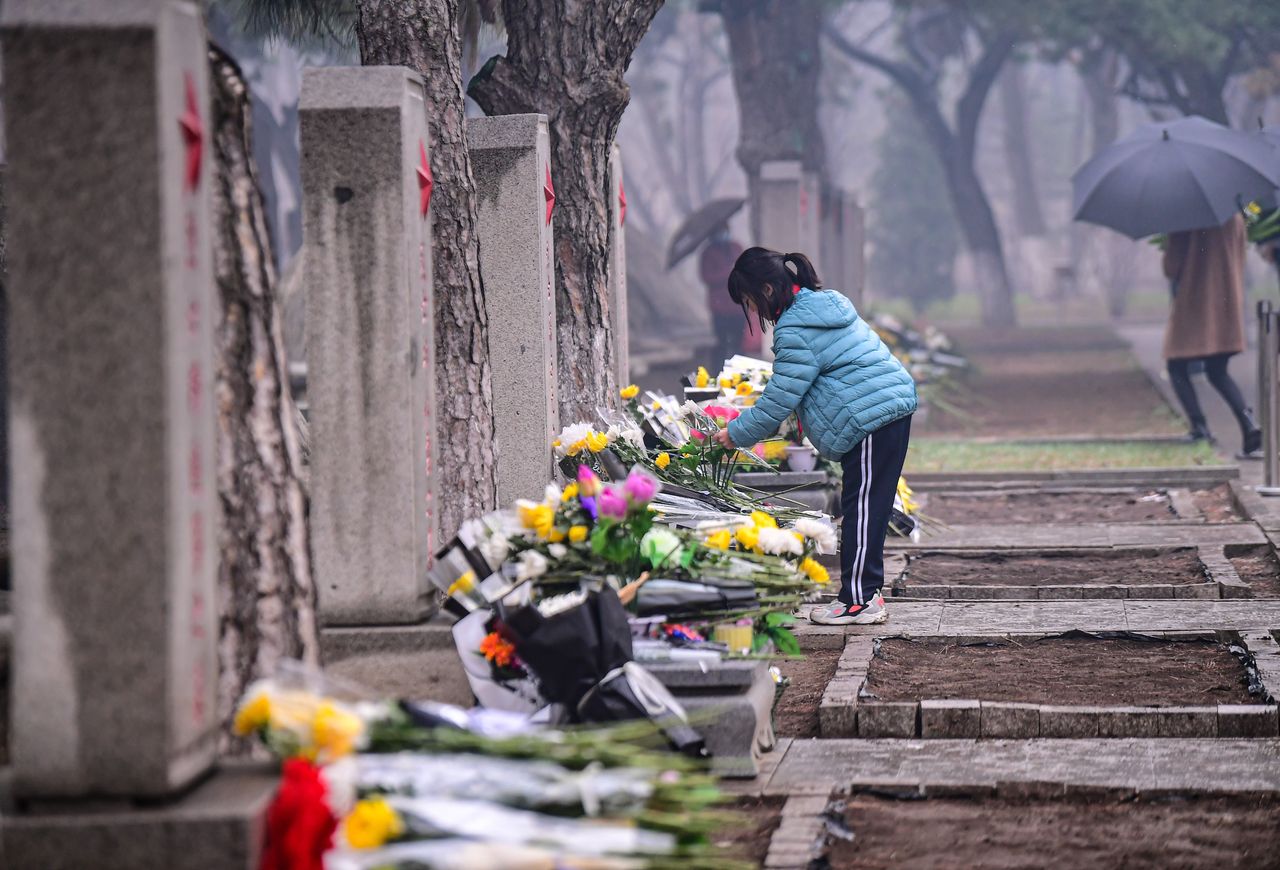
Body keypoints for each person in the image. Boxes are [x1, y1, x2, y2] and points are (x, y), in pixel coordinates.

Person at [711, 247, 917, 625]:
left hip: (872, 416)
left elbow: (779, 400)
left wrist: (734, 434)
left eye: (750, 301)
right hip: (883, 410)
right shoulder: (822, 305)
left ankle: (858, 601)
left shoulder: (795, 329)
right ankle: (865, 594)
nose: (752, 311)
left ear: (768, 290)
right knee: (866, 506)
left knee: (862, 509)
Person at [1162, 215, 1261, 457]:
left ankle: (1199, 427)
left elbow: (1171, 267)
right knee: (1217, 371)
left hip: (1196, 303)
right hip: (1227, 305)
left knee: (1176, 365)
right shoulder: (1235, 215)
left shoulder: (1186, 215)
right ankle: (1249, 424)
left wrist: (1169, 238)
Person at [699, 226, 745, 365]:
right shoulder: (708, 253)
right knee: (722, 342)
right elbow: (707, 277)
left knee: (739, 343)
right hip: (720, 307)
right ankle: (719, 372)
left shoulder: (736, 248)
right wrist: (728, 272)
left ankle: (740, 374)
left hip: (738, 305)